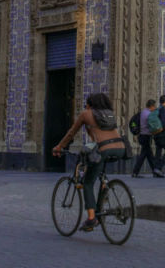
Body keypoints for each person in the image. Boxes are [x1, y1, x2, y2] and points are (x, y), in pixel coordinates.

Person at [52, 92, 127, 233]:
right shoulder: (109, 113)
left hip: (103, 149)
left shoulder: (86, 113)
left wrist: (59, 147)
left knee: (87, 182)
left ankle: (92, 218)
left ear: (90, 104)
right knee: (98, 168)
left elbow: (71, 133)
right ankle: (104, 190)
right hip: (121, 148)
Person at [130, 99, 158, 178]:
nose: (155, 108)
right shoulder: (149, 114)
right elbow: (152, 125)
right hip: (146, 136)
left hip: (142, 136)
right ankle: (135, 172)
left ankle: (155, 170)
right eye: (154, 106)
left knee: (149, 155)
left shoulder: (143, 112)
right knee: (144, 155)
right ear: (151, 106)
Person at [152, 94, 165, 177]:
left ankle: (156, 172)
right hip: (161, 135)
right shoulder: (163, 109)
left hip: (156, 134)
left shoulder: (157, 109)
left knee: (158, 152)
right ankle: (158, 167)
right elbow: (164, 122)